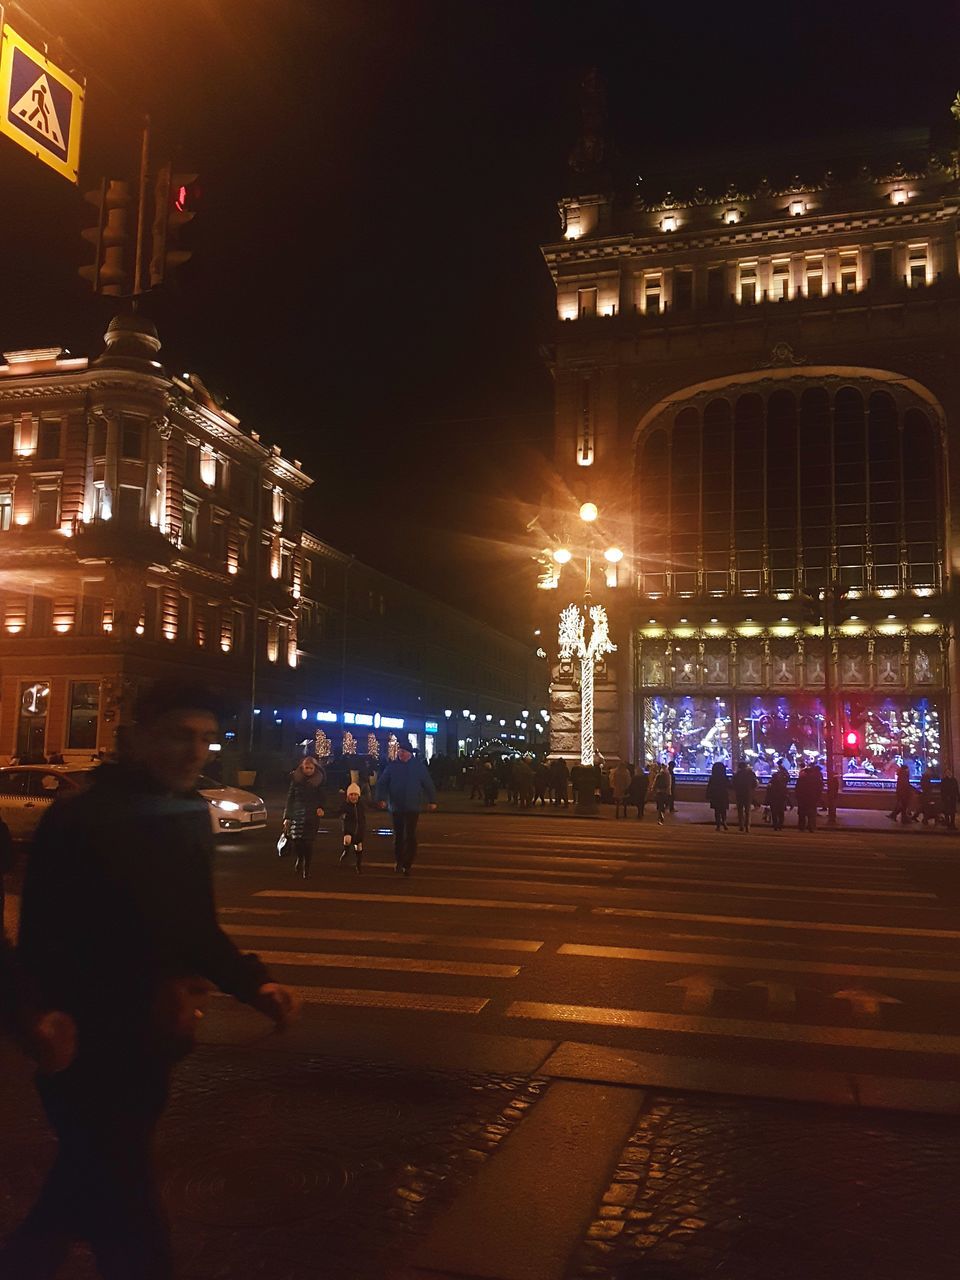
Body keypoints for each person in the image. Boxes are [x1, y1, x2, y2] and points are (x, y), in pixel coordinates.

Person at [4, 679, 298, 1280]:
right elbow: (40, 934)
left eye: (207, 740)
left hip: (150, 1042)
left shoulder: (189, 814)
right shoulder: (81, 816)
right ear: (136, 739)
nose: (195, 752)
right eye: (179, 737)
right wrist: (34, 1016)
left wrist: (254, 984)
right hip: (83, 1045)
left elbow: (195, 923)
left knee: (84, 1188)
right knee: (126, 1205)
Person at [376, 738, 437, 875]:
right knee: (398, 835)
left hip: (412, 806)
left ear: (409, 753)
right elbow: (382, 783)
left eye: (403, 752)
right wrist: (381, 798)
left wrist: (432, 800)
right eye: (399, 751)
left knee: (410, 835)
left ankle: (407, 863)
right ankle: (399, 860)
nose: (400, 754)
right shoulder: (392, 766)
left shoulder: (418, 766)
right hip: (396, 806)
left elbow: (428, 784)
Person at [282, 755, 326, 880]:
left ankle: (306, 867)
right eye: (306, 767)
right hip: (297, 813)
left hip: (311, 815)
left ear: (315, 768)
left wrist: (321, 807)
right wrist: (287, 817)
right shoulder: (296, 780)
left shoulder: (319, 780)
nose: (308, 770)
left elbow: (323, 796)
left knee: (308, 842)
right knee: (297, 841)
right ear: (302, 767)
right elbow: (290, 798)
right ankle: (300, 858)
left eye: (311, 768)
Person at [339, 781, 366, 874]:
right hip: (349, 828)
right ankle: (346, 851)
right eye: (351, 794)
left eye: (355, 795)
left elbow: (371, 804)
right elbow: (337, 812)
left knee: (358, 847)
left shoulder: (361, 805)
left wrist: (380, 804)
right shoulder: (345, 805)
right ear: (348, 796)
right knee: (347, 839)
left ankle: (358, 865)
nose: (353, 797)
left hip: (359, 829)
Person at [796, 763, 824, 831]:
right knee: (811, 814)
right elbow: (819, 789)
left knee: (802, 814)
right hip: (812, 799)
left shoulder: (801, 780)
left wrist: (798, 798)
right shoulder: (815, 780)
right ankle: (811, 827)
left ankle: (802, 827)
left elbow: (797, 790)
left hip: (802, 799)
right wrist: (817, 798)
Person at [733, 760, 758, 832]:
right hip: (748, 793)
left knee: (740, 810)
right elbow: (755, 783)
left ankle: (741, 825)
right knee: (747, 810)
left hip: (739, 794)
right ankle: (747, 826)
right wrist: (751, 789)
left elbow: (733, 784)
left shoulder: (737, 774)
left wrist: (736, 790)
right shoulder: (751, 774)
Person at [706, 761, 730, 831]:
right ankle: (724, 822)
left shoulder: (713, 777)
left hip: (715, 795)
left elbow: (709, 787)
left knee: (717, 811)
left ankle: (718, 825)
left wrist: (708, 795)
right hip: (723, 795)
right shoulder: (724, 777)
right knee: (723, 810)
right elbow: (729, 785)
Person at [766, 762, 789, 832]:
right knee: (781, 812)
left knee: (774, 813)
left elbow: (768, 792)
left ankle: (775, 825)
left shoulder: (771, 784)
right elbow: (785, 793)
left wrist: (767, 800)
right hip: (781, 800)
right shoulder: (782, 784)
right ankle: (780, 825)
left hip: (773, 800)